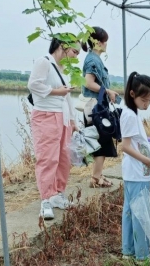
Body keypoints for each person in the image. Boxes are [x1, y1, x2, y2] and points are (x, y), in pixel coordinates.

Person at [27, 37, 80, 220]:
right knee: (47, 158)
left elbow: (67, 98)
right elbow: (33, 84)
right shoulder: (44, 62)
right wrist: (57, 91)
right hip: (46, 115)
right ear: (63, 47)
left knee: (64, 158)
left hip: (62, 116)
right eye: (74, 51)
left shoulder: (62, 69)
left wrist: (73, 120)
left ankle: (58, 194)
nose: (75, 56)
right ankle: (46, 200)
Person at [119, 72, 150, 262]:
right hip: (137, 173)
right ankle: (142, 255)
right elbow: (125, 146)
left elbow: (135, 142)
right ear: (132, 94)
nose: (147, 104)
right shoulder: (129, 115)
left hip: (133, 172)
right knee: (140, 214)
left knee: (130, 212)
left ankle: (128, 250)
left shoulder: (131, 112)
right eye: (144, 100)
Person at [78, 26, 120, 189]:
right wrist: (107, 90)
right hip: (95, 108)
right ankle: (96, 178)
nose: (106, 44)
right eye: (104, 41)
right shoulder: (93, 60)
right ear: (98, 42)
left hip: (97, 106)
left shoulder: (93, 59)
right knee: (101, 141)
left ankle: (98, 175)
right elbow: (88, 82)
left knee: (102, 141)